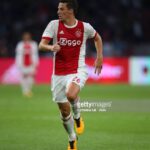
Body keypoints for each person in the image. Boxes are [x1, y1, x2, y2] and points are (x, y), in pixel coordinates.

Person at [39, 0, 103, 149]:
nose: (58, 11)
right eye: (58, 9)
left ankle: (78, 116)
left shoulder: (84, 27)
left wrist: (99, 57)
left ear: (71, 10)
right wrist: (51, 47)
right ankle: (72, 138)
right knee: (63, 111)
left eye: (61, 9)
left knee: (72, 95)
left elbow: (97, 38)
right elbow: (41, 45)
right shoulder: (53, 25)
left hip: (77, 70)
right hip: (58, 75)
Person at [15, 32, 39, 97]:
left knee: (31, 76)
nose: (26, 37)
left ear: (30, 37)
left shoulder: (33, 44)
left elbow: (35, 54)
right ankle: (24, 90)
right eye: (25, 36)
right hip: (23, 64)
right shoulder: (20, 44)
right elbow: (18, 54)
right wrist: (18, 63)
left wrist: (36, 63)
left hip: (31, 63)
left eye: (27, 36)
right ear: (23, 37)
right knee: (24, 76)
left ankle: (29, 90)